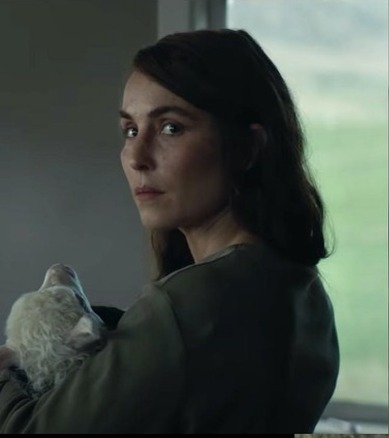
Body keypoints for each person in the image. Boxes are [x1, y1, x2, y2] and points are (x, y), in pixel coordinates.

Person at [0, 28, 340, 434]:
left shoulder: (187, 305)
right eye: (130, 130)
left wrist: (5, 372)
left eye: (170, 128)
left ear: (248, 147)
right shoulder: (302, 287)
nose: (137, 157)